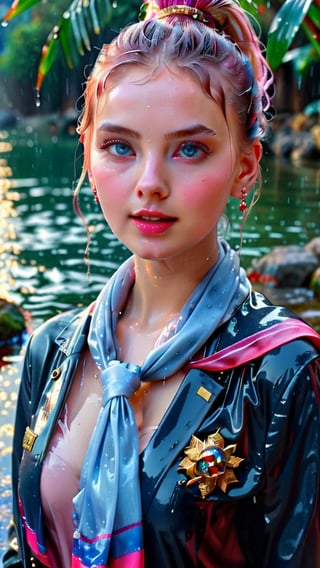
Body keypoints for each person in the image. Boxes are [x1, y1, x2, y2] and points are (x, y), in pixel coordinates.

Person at [4, 1, 320, 567]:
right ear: (89, 153)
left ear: (245, 166)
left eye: (190, 149)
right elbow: (20, 549)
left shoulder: (283, 373)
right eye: (120, 146)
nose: (150, 183)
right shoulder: (50, 350)